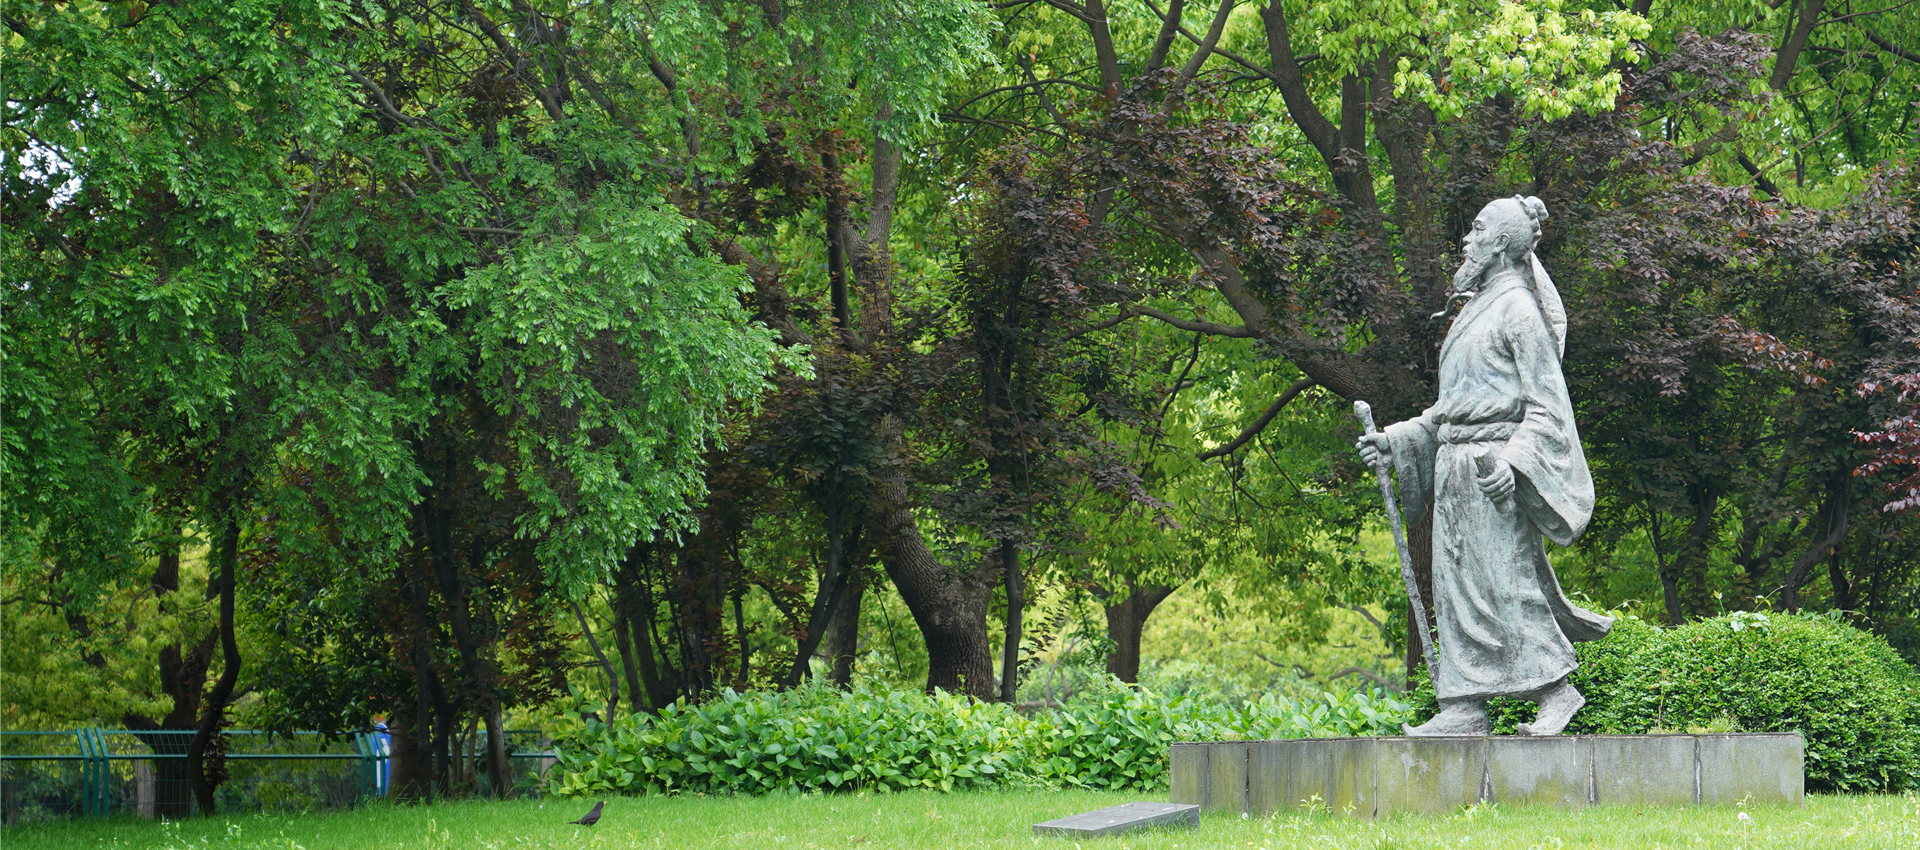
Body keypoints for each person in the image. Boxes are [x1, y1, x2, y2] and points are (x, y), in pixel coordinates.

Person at [1356, 195, 1611, 737]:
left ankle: (1557, 690)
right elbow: (1450, 409)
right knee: (1457, 590)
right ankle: (1465, 705)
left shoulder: (1518, 310)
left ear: (1500, 243)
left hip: (1491, 469)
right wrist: (1397, 440)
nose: (1466, 240)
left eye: (1476, 230)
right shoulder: (1475, 309)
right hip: (1454, 469)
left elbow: (1547, 406)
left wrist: (1513, 463)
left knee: (1505, 580)